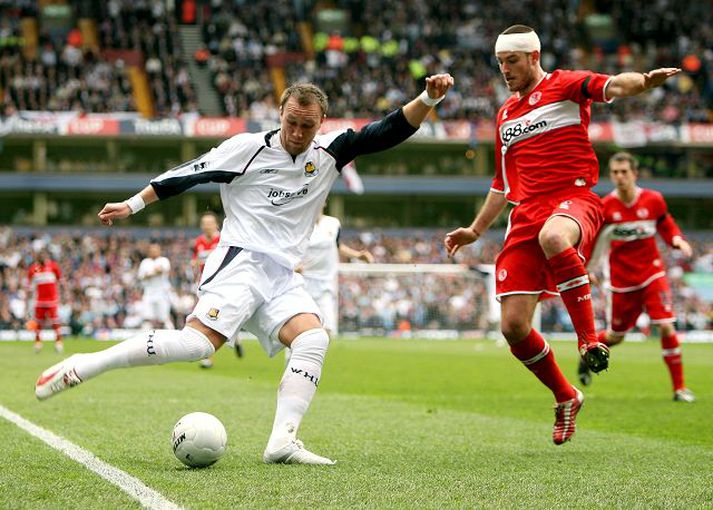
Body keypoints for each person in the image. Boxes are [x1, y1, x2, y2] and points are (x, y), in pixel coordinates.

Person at [35, 75, 454, 465]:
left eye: (307, 126)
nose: (297, 132)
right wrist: (133, 204)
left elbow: (387, 130)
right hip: (242, 263)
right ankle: (90, 362)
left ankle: (282, 441)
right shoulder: (246, 148)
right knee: (198, 346)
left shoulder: (331, 152)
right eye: (291, 122)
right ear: (281, 113)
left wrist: (429, 98)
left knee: (311, 339)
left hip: (283, 275)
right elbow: (186, 175)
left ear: (320, 123)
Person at [444, 24, 680, 445]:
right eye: (499, 63)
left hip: (573, 200)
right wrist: (475, 230)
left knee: (555, 238)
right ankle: (566, 395)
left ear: (534, 56)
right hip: (525, 215)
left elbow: (612, 86)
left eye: (511, 61)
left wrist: (642, 82)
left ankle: (590, 341)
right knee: (513, 327)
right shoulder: (505, 116)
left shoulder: (566, 85)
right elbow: (501, 185)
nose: (504, 70)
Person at [582, 152, 695, 402]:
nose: (620, 177)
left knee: (665, 325)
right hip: (621, 282)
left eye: (624, 172)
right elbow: (593, 243)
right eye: (615, 172)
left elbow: (666, 225)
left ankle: (679, 388)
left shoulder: (653, 200)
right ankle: (587, 354)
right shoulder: (605, 207)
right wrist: (587, 269)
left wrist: (677, 240)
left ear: (634, 173)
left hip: (652, 272)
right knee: (615, 337)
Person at [297, 207, 374, 338]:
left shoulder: (333, 223)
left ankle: (314, 358)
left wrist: (357, 255)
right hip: (302, 283)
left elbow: (337, 245)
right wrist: (293, 266)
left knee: (327, 329)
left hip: (325, 283)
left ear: (324, 203)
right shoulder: (299, 223)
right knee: (299, 329)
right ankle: (293, 358)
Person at [191, 211, 245, 367]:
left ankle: (209, 355)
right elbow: (195, 260)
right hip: (205, 284)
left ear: (216, 224)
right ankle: (211, 354)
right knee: (205, 317)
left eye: (209, 223)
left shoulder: (224, 239)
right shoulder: (198, 242)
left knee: (212, 317)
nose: (206, 226)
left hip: (222, 284)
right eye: (204, 224)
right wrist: (194, 263)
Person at [27, 250, 64, 353]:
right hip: (39, 300)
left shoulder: (53, 266)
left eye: (45, 255)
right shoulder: (34, 269)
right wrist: (28, 301)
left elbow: (60, 281)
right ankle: (38, 343)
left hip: (52, 300)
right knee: (38, 323)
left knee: (55, 322)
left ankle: (58, 343)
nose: (44, 258)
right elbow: (29, 286)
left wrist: (61, 295)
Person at [137, 243, 174, 329]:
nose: (154, 252)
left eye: (156, 250)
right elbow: (141, 276)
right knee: (147, 318)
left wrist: (149, 273)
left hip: (162, 292)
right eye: (152, 250)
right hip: (149, 291)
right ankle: (145, 339)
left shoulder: (164, 260)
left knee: (164, 318)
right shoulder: (145, 262)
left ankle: (171, 336)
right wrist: (153, 272)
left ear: (159, 251)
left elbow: (162, 270)